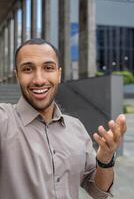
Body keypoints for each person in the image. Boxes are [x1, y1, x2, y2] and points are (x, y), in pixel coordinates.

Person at [0, 38, 126, 199]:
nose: (39, 80)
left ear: (59, 74)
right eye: (27, 69)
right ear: (17, 76)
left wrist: (106, 160)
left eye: (48, 68)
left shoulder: (76, 127)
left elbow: (98, 191)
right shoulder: (4, 120)